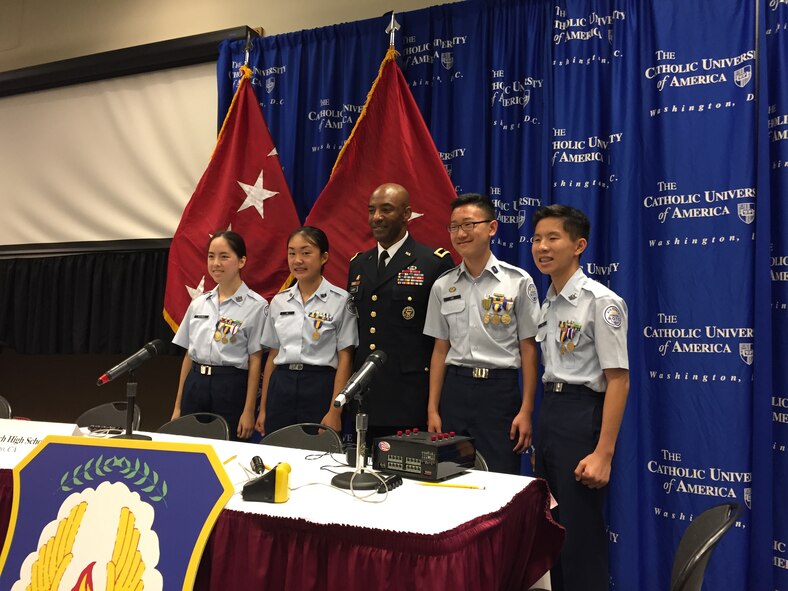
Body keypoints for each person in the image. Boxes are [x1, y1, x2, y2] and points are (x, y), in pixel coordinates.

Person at [530, 204, 630, 591]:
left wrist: (603, 453)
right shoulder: (548, 302)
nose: (542, 247)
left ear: (578, 245)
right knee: (552, 532)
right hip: (551, 414)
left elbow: (618, 380)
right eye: (537, 238)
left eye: (553, 238)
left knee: (580, 536)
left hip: (582, 416)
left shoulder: (600, 301)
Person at [424, 193, 540, 474]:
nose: (460, 233)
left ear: (491, 228)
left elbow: (528, 349)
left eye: (468, 225)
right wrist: (433, 408)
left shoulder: (517, 281)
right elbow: (440, 349)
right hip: (455, 390)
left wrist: (526, 410)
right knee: (450, 476)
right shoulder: (443, 285)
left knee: (499, 477)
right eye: (453, 227)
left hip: (499, 393)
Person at [347, 183, 454, 440]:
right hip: (366, 396)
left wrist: (433, 404)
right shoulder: (359, 264)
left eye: (386, 210)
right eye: (372, 210)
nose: (376, 217)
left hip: (410, 397)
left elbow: (444, 338)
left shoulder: (433, 262)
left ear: (406, 214)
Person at [255, 226, 358, 435]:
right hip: (281, 385)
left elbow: (345, 358)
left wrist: (335, 410)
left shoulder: (341, 300)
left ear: (324, 257)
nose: (297, 260)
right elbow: (273, 355)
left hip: (319, 386)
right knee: (278, 452)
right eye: (292, 253)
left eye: (306, 252)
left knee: (317, 456)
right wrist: (264, 408)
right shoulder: (279, 301)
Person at [172, 230, 267, 440]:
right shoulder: (199, 303)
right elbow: (189, 355)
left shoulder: (257, 306)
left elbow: (255, 359)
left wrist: (249, 410)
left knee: (228, 450)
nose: (216, 263)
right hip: (195, 383)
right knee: (191, 448)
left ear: (241, 261)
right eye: (211, 256)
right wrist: (178, 405)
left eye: (224, 256)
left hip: (230, 385)